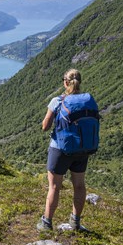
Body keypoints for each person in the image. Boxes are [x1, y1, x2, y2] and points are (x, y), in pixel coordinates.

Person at [37, 68, 90, 232]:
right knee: (79, 186)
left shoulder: (57, 101)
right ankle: (76, 222)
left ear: (66, 82)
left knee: (54, 187)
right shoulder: (87, 101)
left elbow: (45, 127)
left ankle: (47, 223)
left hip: (59, 149)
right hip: (82, 148)